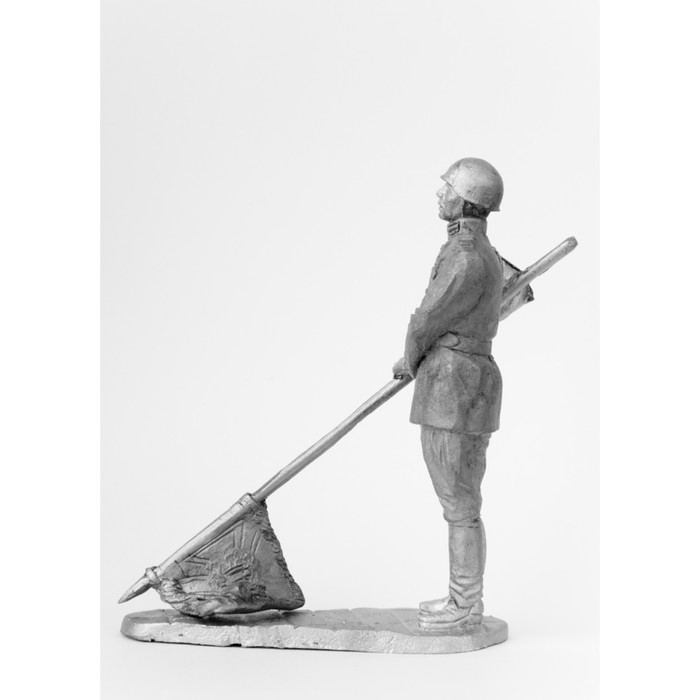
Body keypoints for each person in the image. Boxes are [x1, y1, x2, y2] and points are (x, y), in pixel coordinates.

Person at [393, 157, 505, 631]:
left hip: (452, 386)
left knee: (458, 505)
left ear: (467, 201)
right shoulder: (487, 254)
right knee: (464, 503)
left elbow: (427, 318)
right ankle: (465, 599)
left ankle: (464, 604)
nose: (440, 195)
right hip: (473, 381)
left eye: (448, 189)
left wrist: (410, 358)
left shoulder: (464, 255)